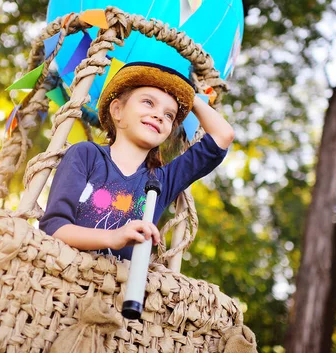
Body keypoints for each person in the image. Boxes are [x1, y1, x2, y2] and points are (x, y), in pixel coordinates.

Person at [39, 62, 234, 260]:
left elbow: (223, 136)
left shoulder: (162, 181)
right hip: (66, 275)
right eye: (148, 102)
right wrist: (113, 237)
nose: (159, 115)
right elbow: (54, 227)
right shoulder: (85, 154)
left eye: (169, 115)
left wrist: (188, 95)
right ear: (117, 111)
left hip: (119, 288)